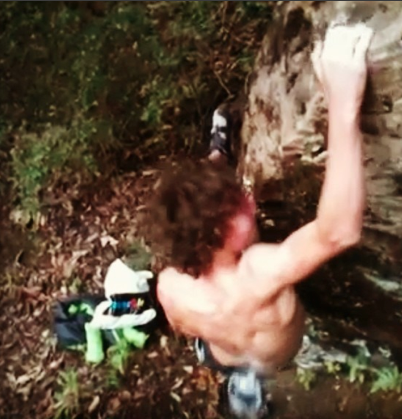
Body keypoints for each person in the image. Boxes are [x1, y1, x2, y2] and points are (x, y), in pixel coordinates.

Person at [143, 24, 373, 417]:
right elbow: (338, 230)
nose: (249, 199)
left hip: (218, 353)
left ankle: (218, 147)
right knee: (258, 375)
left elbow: (183, 323)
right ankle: (252, 395)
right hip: (277, 357)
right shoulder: (259, 271)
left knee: (235, 363)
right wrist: (343, 103)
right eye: (239, 207)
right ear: (220, 235)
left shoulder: (169, 286)